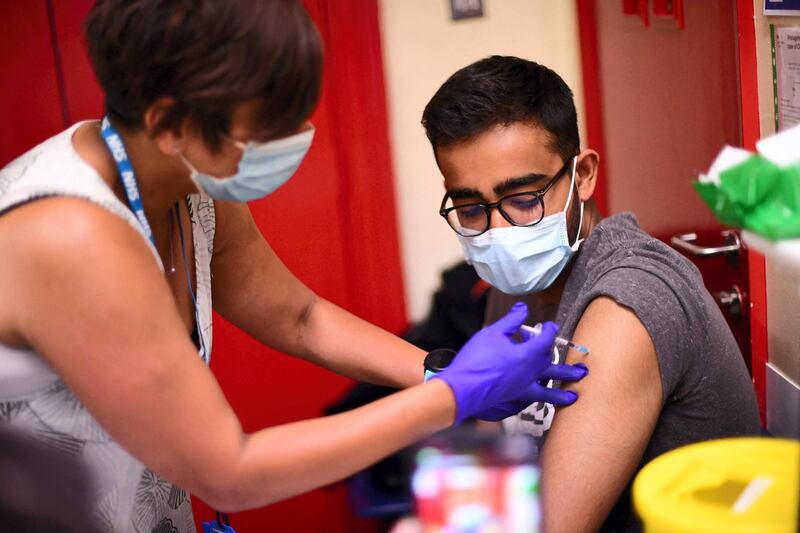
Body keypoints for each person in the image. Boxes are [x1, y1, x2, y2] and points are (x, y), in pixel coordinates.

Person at [0, 3, 588, 532]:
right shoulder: (72, 237)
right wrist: (457, 395)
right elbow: (229, 471)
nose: (293, 140)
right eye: (266, 127)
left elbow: (299, 317)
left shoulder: (191, 184)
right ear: (168, 124)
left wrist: (440, 369)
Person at [421, 55, 761, 532]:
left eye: (524, 200)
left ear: (582, 176)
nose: (498, 230)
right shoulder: (515, 287)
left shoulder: (628, 304)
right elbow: (489, 461)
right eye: (472, 207)